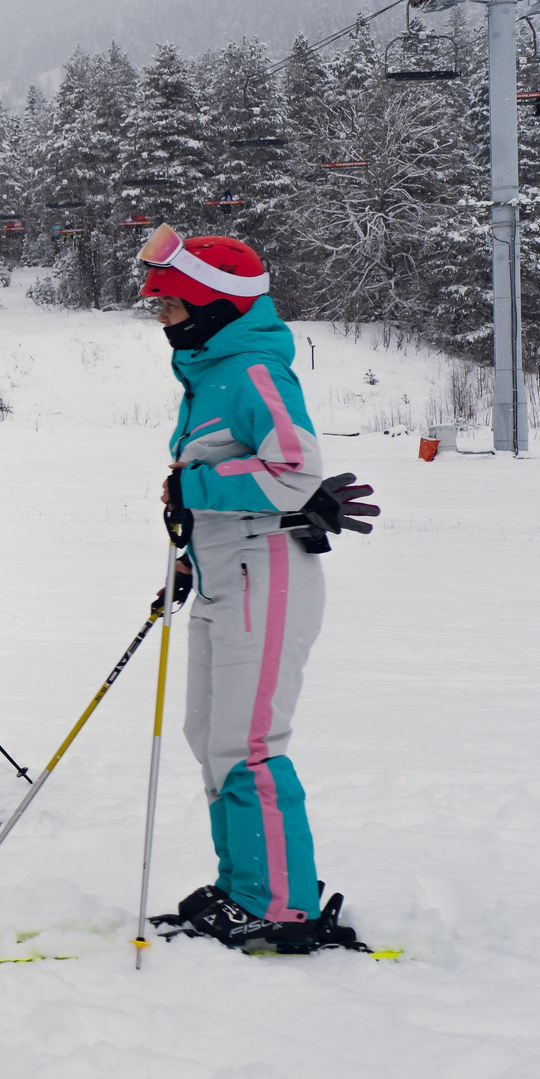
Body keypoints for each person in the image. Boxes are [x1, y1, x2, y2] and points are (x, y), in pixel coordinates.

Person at [141, 226, 369, 950]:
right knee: (208, 737)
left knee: (249, 742)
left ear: (211, 307)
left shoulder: (254, 371)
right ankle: (243, 888)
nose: (164, 322)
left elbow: (296, 467)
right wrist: (184, 559)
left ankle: (280, 903)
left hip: (265, 572)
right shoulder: (209, 377)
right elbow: (217, 489)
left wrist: (194, 484)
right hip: (222, 574)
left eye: (172, 308)